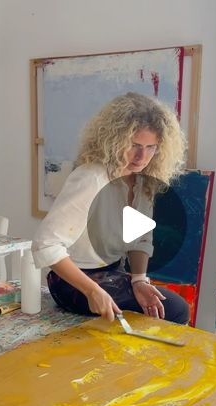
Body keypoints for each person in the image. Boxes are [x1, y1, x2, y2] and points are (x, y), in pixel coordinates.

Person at [32, 92, 190, 324]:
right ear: (115, 140)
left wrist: (139, 280)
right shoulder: (90, 178)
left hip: (113, 274)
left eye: (151, 147)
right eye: (134, 145)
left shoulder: (144, 181)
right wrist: (92, 290)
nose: (141, 156)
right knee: (170, 312)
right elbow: (46, 244)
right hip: (72, 282)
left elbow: (140, 239)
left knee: (170, 309)